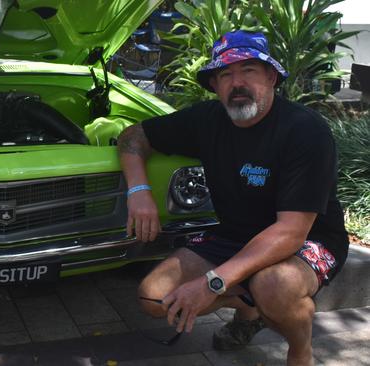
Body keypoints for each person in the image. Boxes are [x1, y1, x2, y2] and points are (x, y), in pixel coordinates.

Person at [117, 30, 349, 366]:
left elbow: (290, 232)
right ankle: (248, 308)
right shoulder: (206, 120)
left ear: (270, 77)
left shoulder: (305, 131)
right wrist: (139, 192)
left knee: (273, 286)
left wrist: (212, 282)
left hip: (308, 240)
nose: (236, 83)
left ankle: (301, 350)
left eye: (248, 71)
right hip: (235, 236)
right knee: (153, 299)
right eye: (225, 74)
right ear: (215, 85)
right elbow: (132, 137)